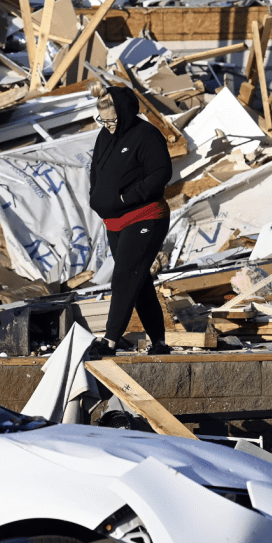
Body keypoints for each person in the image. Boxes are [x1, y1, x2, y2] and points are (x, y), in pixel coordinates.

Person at [88, 83, 173, 356]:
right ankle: (159, 342)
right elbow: (96, 171)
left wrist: (126, 198)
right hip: (114, 222)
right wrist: (96, 196)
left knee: (124, 277)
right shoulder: (104, 136)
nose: (107, 125)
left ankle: (109, 341)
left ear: (123, 113)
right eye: (102, 120)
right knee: (139, 281)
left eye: (111, 119)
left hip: (145, 216)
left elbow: (160, 174)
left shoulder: (146, 135)